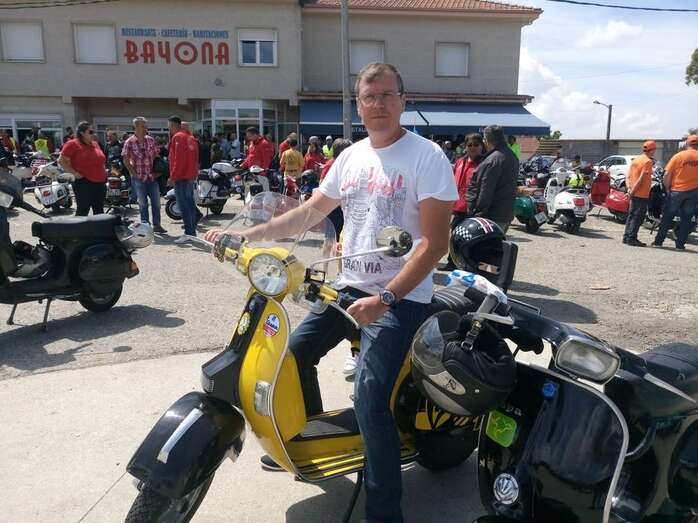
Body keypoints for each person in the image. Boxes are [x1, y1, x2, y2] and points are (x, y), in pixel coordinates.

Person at [206, 62, 456, 522]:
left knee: (370, 398)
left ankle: (384, 513)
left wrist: (386, 299)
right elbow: (310, 212)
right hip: (347, 286)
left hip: (400, 299)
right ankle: (312, 441)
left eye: (386, 95)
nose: (378, 104)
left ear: (403, 100)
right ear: (358, 105)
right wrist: (248, 235)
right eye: (369, 97)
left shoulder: (428, 157)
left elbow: (435, 244)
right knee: (290, 357)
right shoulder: (351, 157)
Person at [438, 133, 486, 271]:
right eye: (469, 145)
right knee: (456, 236)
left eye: (476, 145)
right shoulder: (460, 161)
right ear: (465, 146)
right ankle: (452, 263)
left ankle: (470, 265)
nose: (473, 147)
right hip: (458, 207)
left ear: (482, 146)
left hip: (473, 208)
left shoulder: (484, 164)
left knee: (472, 239)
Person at [466, 125, 519, 232]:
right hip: (505, 214)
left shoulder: (493, 160)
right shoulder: (512, 156)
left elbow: (485, 190)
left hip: (491, 216)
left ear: (486, 140)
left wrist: (477, 215)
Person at [652, 135, 698, 250]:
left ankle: (658, 242)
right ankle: (680, 245)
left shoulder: (679, 156)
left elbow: (667, 174)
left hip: (676, 191)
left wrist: (667, 188)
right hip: (694, 192)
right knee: (687, 219)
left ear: (687, 144)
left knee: (667, 217)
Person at [122, 117, 166, 234]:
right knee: (143, 204)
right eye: (143, 126)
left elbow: (157, 156)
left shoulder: (150, 140)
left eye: (146, 126)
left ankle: (157, 225)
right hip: (139, 179)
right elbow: (125, 160)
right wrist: (134, 174)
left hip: (152, 177)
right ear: (136, 127)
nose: (146, 128)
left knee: (156, 203)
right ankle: (145, 227)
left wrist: (158, 171)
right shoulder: (129, 142)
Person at [58, 121, 107, 216]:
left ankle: (99, 226)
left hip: (100, 182)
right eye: (90, 132)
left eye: (93, 132)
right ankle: (80, 227)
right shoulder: (72, 144)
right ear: (82, 133)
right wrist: (75, 174)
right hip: (83, 183)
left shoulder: (95, 144)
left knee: (99, 211)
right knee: (83, 210)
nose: (93, 134)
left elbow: (101, 160)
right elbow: (61, 161)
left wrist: (104, 172)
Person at [168, 116, 200, 243]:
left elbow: (179, 159)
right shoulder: (191, 138)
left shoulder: (178, 137)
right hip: (190, 175)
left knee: (183, 205)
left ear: (173, 125)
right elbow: (195, 158)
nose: (169, 129)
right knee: (190, 203)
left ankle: (189, 233)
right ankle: (192, 232)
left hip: (182, 176)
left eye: (169, 126)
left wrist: (173, 176)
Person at [621, 141, 656, 247]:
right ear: (653, 150)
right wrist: (631, 193)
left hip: (633, 192)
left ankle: (626, 237)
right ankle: (632, 238)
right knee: (638, 217)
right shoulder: (648, 162)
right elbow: (640, 180)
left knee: (631, 216)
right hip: (641, 194)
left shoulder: (636, 159)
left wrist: (629, 190)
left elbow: (628, 176)